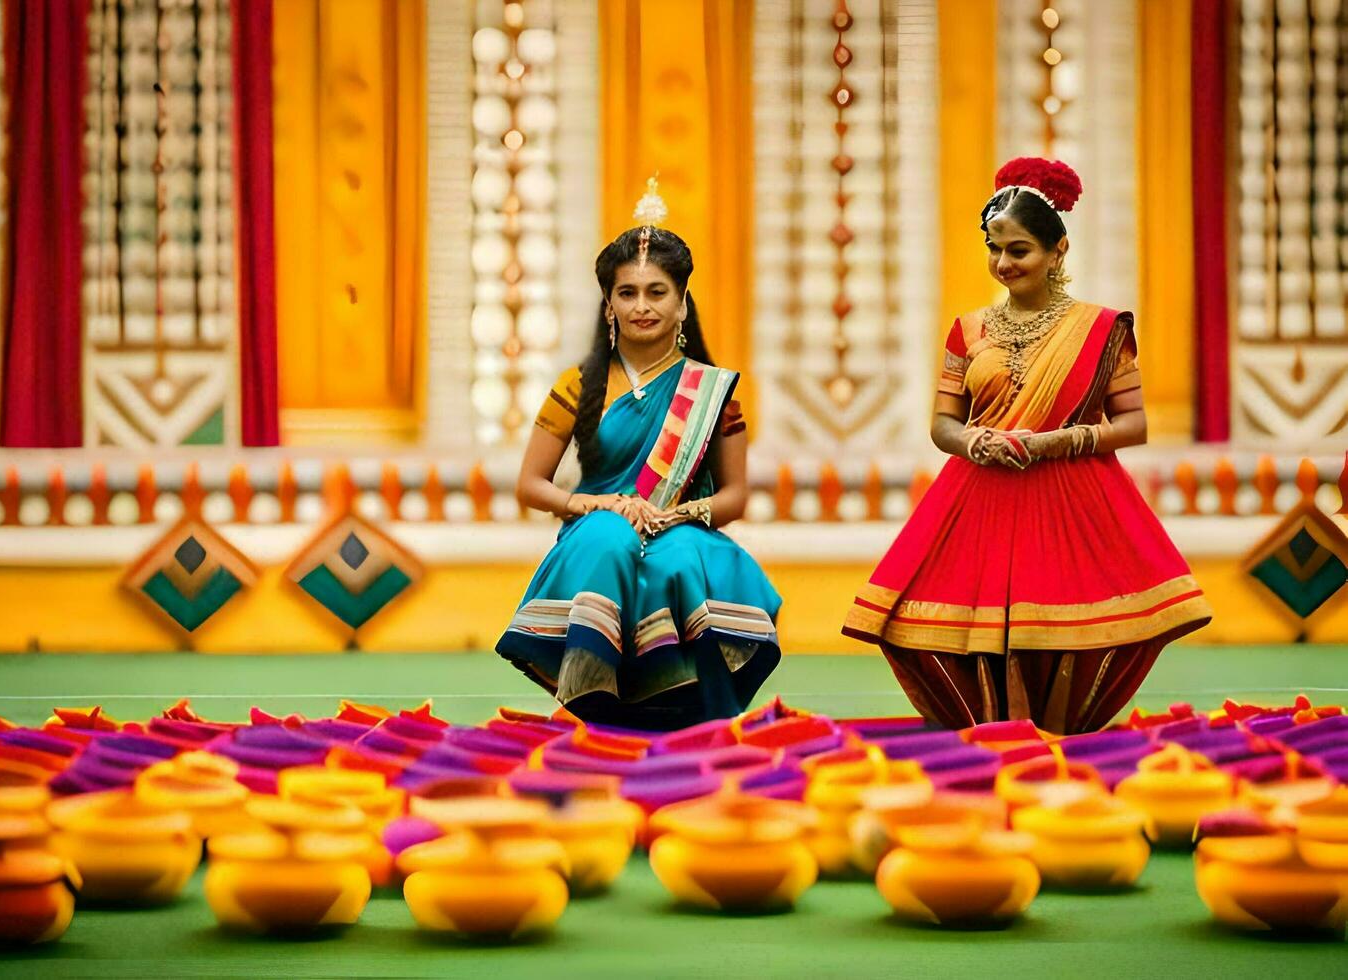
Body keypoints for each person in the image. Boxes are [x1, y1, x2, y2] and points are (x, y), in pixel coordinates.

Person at [842, 157, 1212, 734]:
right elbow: (942, 425)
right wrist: (974, 441)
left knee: (1068, 633)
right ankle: (989, 727)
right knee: (943, 633)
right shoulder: (969, 330)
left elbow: (1134, 424)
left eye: (1019, 250)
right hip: (980, 494)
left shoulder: (1101, 328)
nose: (1003, 263)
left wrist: (1053, 443)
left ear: (1057, 251)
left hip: (1072, 494)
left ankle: (1063, 728)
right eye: (994, 248)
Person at [496, 181, 781, 730]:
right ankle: (591, 706)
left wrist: (673, 515)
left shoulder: (712, 392)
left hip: (682, 527)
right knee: (611, 540)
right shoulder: (579, 385)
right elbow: (531, 485)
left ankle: (693, 716)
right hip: (597, 526)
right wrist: (600, 505)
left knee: (676, 558)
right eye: (628, 293)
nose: (642, 306)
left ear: (681, 304)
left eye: (657, 292)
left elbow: (736, 495)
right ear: (609, 305)